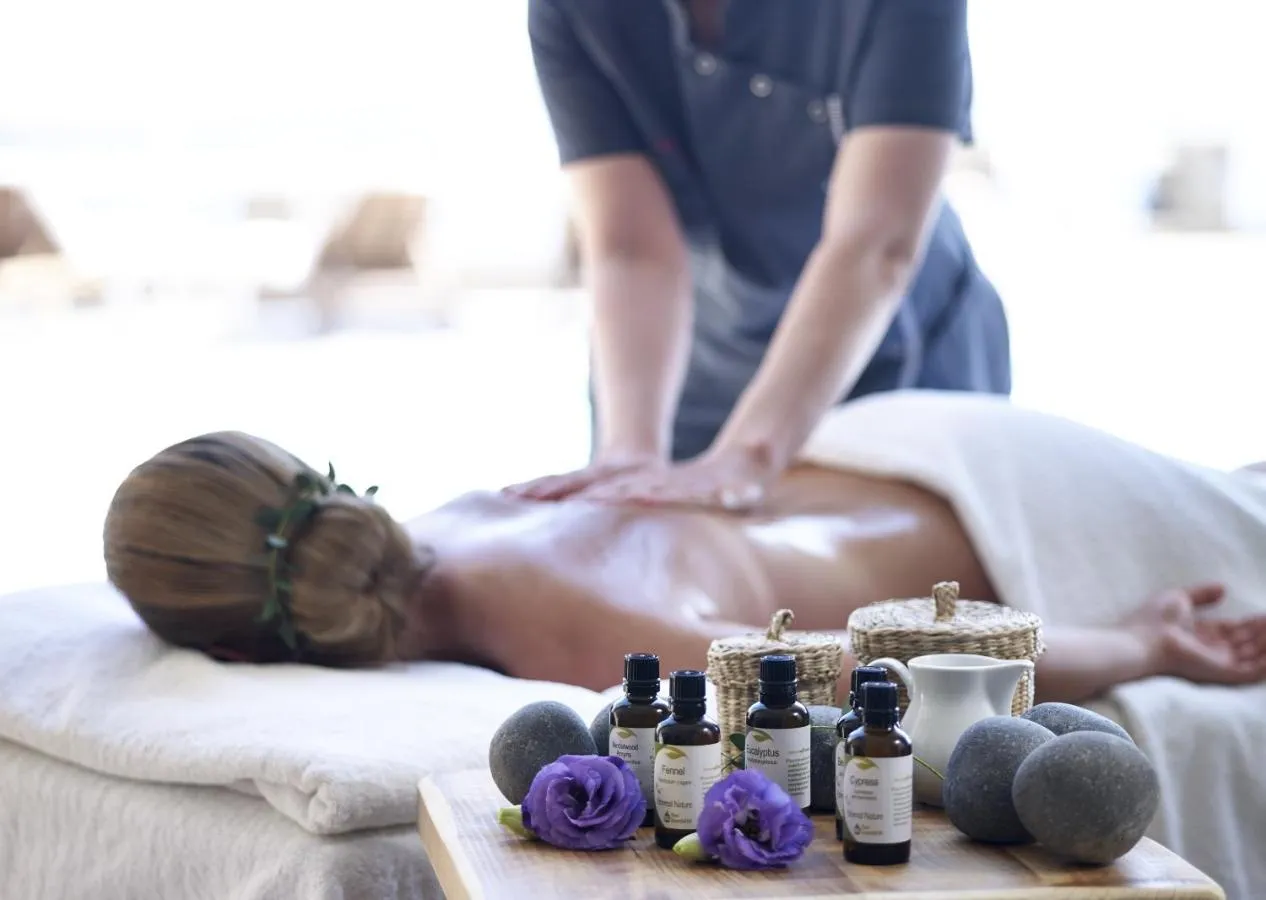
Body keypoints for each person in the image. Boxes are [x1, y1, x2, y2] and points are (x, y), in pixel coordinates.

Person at [103, 393, 1266, 706]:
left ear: (241, 654)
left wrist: (1144, 643)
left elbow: (898, 664)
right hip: (905, 441)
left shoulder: (570, 634)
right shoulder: (459, 511)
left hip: (1008, 516)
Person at [509, 0, 1010, 511]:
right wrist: (629, 449)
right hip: (698, 369)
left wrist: (751, 453)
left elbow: (875, 244)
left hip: (900, 354)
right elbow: (631, 250)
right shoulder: (572, 11)